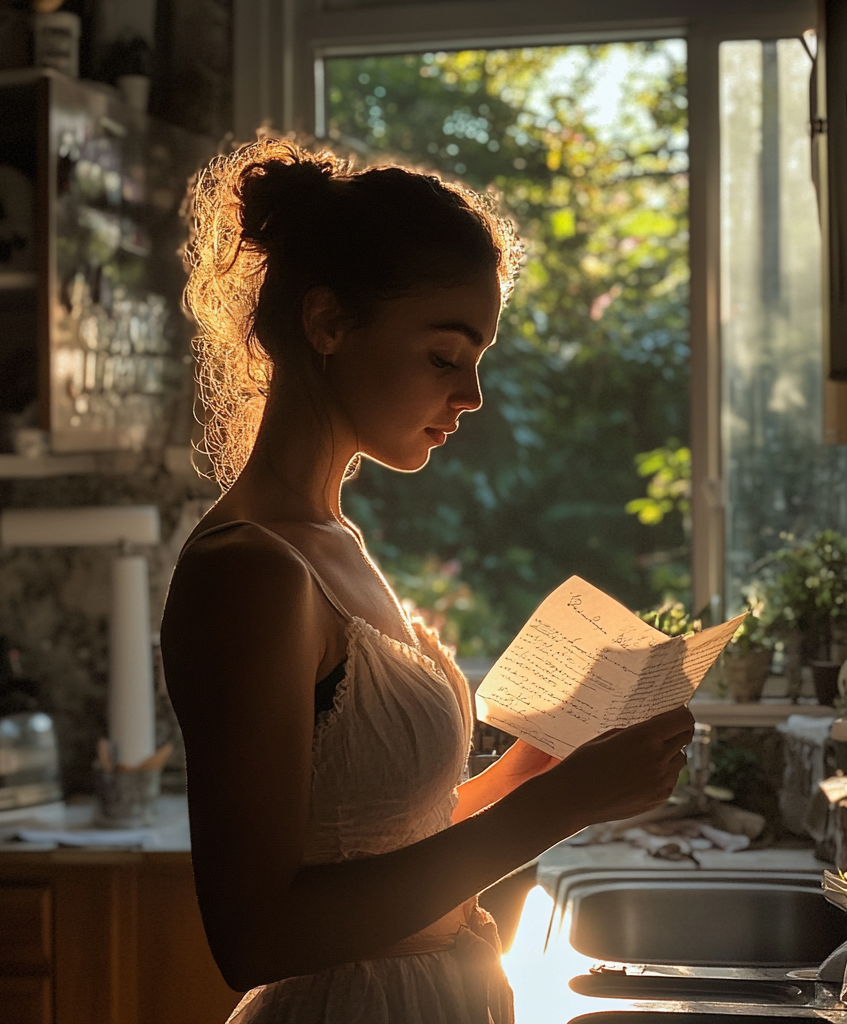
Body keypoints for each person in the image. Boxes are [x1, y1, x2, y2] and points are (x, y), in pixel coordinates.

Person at [160, 137, 695, 1024]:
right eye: (446, 356)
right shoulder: (249, 573)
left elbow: (390, 840)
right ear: (328, 324)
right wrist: (554, 809)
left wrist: (538, 769)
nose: (473, 394)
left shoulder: (332, 539)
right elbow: (253, 937)